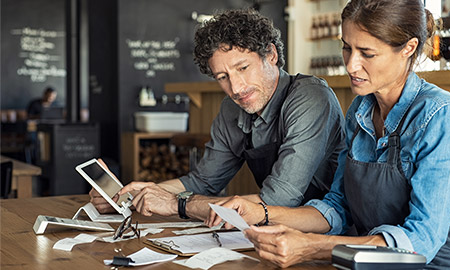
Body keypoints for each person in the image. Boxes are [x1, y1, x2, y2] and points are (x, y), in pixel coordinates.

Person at [207, 0, 450, 268]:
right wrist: (261, 213)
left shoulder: (440, 115)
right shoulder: (360, 109)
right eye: (347, 48)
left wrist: (314, 247)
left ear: (409, 48)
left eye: (367, 53)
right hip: (359, 262)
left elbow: (422, 241)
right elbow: (337, 207)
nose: (351, 65)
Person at [90, 9, 345, 221]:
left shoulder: (310, 97)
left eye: (243, 68)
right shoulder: (231, 108)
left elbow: (278, 200)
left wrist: (177, 204)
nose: (236, 88)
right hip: (274, 231)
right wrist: (135, 194)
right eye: (222, 77)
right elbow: (203, 181)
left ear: (271, 55)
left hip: (329, 231)